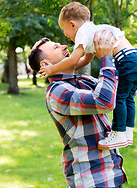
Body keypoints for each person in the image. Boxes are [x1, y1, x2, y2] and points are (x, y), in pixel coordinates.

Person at [39, 2, 137, 150]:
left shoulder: (82, 34)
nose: (65, 35)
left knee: (121, 97)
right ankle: (128, 132)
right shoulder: (92, 31)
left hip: (125, 61)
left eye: (64, 29)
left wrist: (53, 69)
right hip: (134, 58)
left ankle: (119, 132)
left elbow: (73, 59)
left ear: (72, 24)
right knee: (127, 98)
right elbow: (86, 60)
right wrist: (66, 69)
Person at [28, 31, 126, 188]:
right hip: (91, 179)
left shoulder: (83, 80)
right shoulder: (57, 92)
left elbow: (118, 92)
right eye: (56, 47)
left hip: (111, 173)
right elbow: (104, 101)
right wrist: (106, 59)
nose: (65, 46)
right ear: (45, 64)